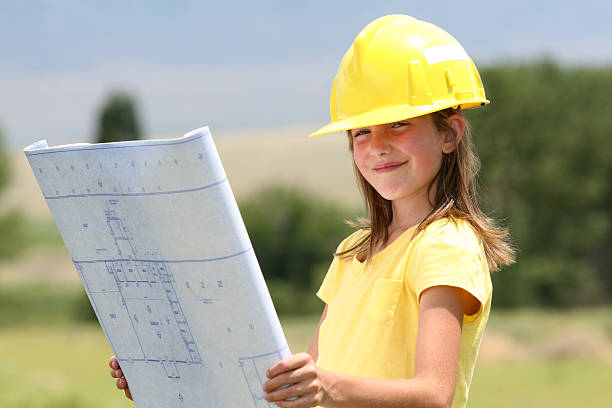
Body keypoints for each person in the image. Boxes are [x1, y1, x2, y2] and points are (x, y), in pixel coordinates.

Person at [110, 14, 515, 408]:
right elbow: (304, 392)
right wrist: (167, 374)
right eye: (361, 132)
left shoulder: (447, 243)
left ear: (449, 133)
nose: (377, 146)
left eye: (398, 124)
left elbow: (434, 395)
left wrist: (326, 388)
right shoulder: (354, 250)